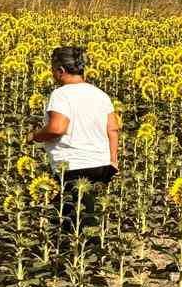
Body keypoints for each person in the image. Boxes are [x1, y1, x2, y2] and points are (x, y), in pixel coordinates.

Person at [29, 45, 120, 232]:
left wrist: (35, 136)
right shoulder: (100, 94)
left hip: (73, 166)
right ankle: (93, 247)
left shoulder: (61, 94)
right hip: (100, 165)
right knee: (90, 214)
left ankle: (76, 249)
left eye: (53, 69)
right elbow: (113, 128)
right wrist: (113, 160)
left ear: (61, 70)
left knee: (71, 221)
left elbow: (57, 128)